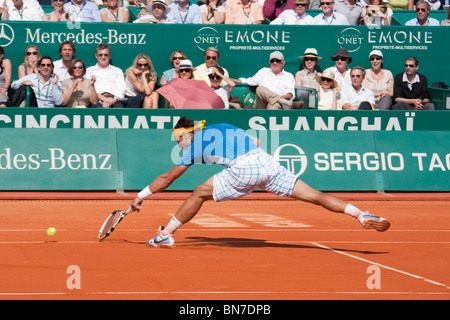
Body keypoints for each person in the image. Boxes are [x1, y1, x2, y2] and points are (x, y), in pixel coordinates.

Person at [129, 116, 391, 248]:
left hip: (243, 169)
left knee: (198, 192)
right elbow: (255, 142)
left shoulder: (193, 144)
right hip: (266, 162)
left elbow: (168, 178)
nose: (178, 144)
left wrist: (141, 195)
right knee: (314, 195)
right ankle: (361, 214)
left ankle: (166, 235)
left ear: (186, 134)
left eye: (178, 139)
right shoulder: (221, 125)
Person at [231, 51, 295, 110]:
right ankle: (279, 100)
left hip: (281, 105)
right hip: (262, 104)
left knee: (274, 104)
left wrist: (275, 99)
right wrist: (228, 78)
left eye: (277, 61)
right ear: (270, 62)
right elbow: (249, 81)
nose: (274, 63)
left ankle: (278, 101)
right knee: (260, 89)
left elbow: (290, 95)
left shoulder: (289, 76)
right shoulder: (264, 71)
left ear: (283, 63)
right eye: (272, 61)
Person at [86, 43, 125, 108]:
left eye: (105, 55)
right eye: (100, 55)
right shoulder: (89, 71)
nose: (103, 57)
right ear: (96, 56)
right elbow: (88, 90)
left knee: (119, 109)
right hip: (96, 99)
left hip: (114, 99)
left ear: (109, 56)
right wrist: (105, 99)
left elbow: (121, 91)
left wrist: (113, 100)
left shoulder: (117, 71)